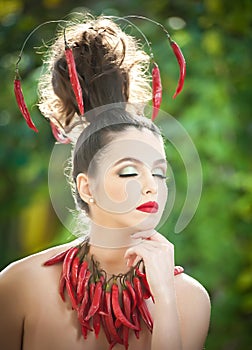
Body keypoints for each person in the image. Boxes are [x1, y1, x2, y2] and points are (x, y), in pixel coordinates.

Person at [0, 14, 210, 350]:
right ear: (87, 187)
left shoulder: (189, 297)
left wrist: (165, 302)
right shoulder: (18, 286)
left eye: (159, 172)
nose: (150, 186)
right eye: (128, 171)